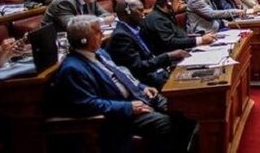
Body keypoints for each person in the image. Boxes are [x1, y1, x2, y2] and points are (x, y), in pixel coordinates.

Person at [53, 16, 194, 153]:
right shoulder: (73, 68)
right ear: (83, 40)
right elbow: (87, 104)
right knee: (166, 125)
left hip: (138, 97)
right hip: (119, 116)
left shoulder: (99, 53)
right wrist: (128, 107)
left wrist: (142, 87)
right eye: (97, 32)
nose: (102, 34)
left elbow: (121, 75)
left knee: (186, 111)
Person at [107, 0, 190, 90]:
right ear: (128, 13)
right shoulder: (121, 37)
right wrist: (168, 56)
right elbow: (138, 68)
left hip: (157, 72)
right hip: (146, 83)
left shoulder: (138, 28)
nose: (143, 14)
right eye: (140, 10)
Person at [142, 0, 215, 55]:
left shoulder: (166, 15)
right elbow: (170, 43)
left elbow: (179, 35)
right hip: (170, 59)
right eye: (178, 1)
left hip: (180, 52)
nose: (180, 3)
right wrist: (200, 40)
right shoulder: (157, 19)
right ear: (169, 2)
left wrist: (200, 37)